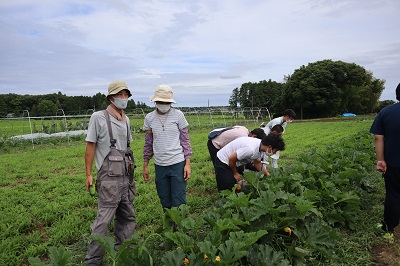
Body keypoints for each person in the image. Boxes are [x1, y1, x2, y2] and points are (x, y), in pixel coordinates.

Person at [84, 80, 136, 266]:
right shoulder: (99, 117)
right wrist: (89, 174)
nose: (123, 98)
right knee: (103, 221)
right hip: (109, 179)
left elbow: (126, 148)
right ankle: (93, 260)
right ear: (110, 97)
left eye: (125, 94)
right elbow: (91, 146)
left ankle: (123, 252)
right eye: (119, 94)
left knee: (127, 216)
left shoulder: (127, 119)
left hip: (126, 178)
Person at [143, 84, 192, 210]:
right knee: (164, 198)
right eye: (160, 101)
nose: (163, 104)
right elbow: (148, 143)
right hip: (160, 165)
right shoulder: (149, 118)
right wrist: (145, 165)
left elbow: (185, 140)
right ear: (155, 101)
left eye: (166, 102)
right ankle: (169, 225)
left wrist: (187, 164)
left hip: (177, 163)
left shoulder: (178, 115)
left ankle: (180, 226)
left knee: (179, 198)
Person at [370, 83, 400, 239]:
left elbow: (378, 137)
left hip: (394, 162)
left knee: (394, 194)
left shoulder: (386, 112)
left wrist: (381, 160)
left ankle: (388, 227)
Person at [214, 133, 285, 191]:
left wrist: (267, 174)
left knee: (236, 184)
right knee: (227, 185)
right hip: (223, 160)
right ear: (270, 147)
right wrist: (235, 173)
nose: (275, 153)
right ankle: (225, 203)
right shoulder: (250, 149)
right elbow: (231, 159)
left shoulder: (261, 147)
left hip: (235, 161)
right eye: (275, 150)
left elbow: (257, 163)